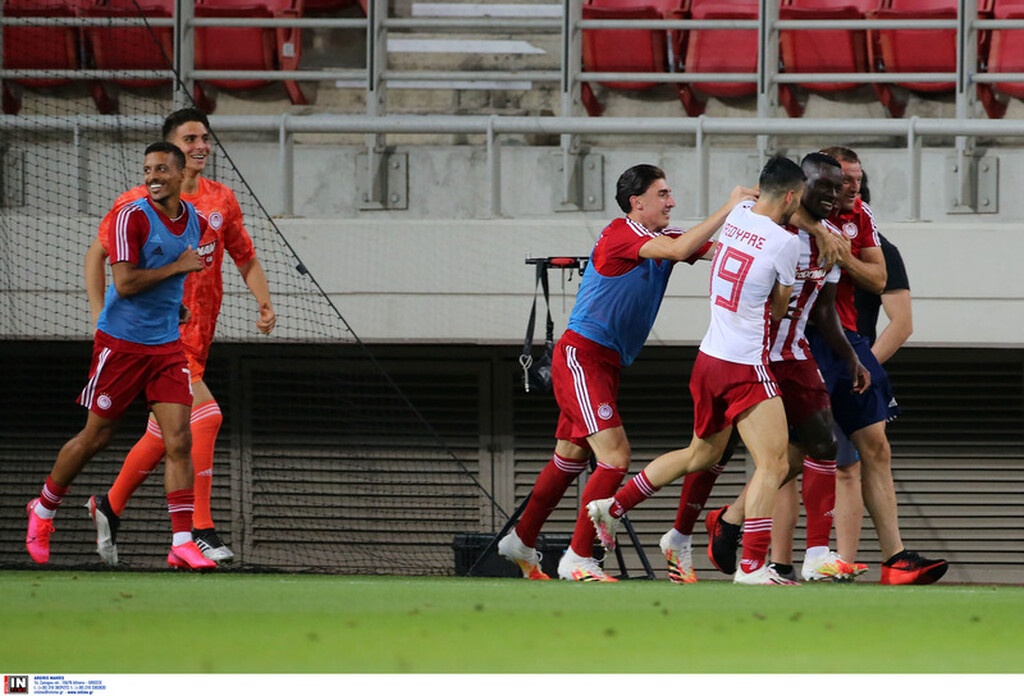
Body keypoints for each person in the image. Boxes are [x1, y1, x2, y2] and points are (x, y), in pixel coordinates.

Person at [495, 164, 759, 582]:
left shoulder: (665, 239)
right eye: (663, 194)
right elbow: (680, 250)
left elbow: (722, 249)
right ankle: (579, 557)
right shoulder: (623, 233)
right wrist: (729, 206)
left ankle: (521, 540)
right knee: (615, 457)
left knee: (569, 458)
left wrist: (769, 210)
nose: (672, 202)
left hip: (605, 363)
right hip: (582, 357)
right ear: (637, 202)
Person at [586, 155, 813, 585]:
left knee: (701, 455)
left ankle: (612, 506)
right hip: (746, 364)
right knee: (775, 464)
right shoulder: (787, 242)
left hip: (709, 359)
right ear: (790, 197)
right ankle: (752, 566)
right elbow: (779, 310)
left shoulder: (738, 215)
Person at [660, 153, 871, 584]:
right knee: (714, 454)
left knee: (820, 443)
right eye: (825, 187)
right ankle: (682, 534)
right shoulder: (769, 223)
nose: (834, 195)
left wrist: (851, 357)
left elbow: (825, 309)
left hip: (791, 353)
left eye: (840, 188)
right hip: (747, 353)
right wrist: (813, 227)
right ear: (798, 189)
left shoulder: (832, 238)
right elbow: (752, 202)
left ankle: (806, 552)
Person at [84, 107, 277, 566]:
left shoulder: (220, 199)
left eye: (204, 138)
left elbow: (245, 257)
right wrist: (98, 317)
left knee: (164, 435)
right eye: (190, 139)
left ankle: (108, 506)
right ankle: (198, 531)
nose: (201, 146)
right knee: (206, 417)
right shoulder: (137, 202)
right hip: (155, 335)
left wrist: (264, 302)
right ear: (170, 149)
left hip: (199, 334)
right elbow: (96, 255)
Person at [25, 142, 214, 571]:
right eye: (148, 169)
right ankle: (44, 508)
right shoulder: (132, 216)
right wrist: (178, 268)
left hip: (166, 346)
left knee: (180, 440)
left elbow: (169, 280)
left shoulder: (196, 222)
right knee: (97, 437)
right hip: (122, 345)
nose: (153, 177)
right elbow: (126, 284)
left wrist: (176, 307)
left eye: (161, 169)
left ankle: (182, 542)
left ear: (181, 174)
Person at [802, 145, 946, 585]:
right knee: (786, 460)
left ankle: (877, 560)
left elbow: (894, 307)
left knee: (866, 454)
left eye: (857, 179)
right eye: (843, 180)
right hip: (800, 345)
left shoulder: (865, 224)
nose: (852, 187)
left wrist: (862, 367)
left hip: (850, 348)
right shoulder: (794, 218)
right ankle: (746, 535)